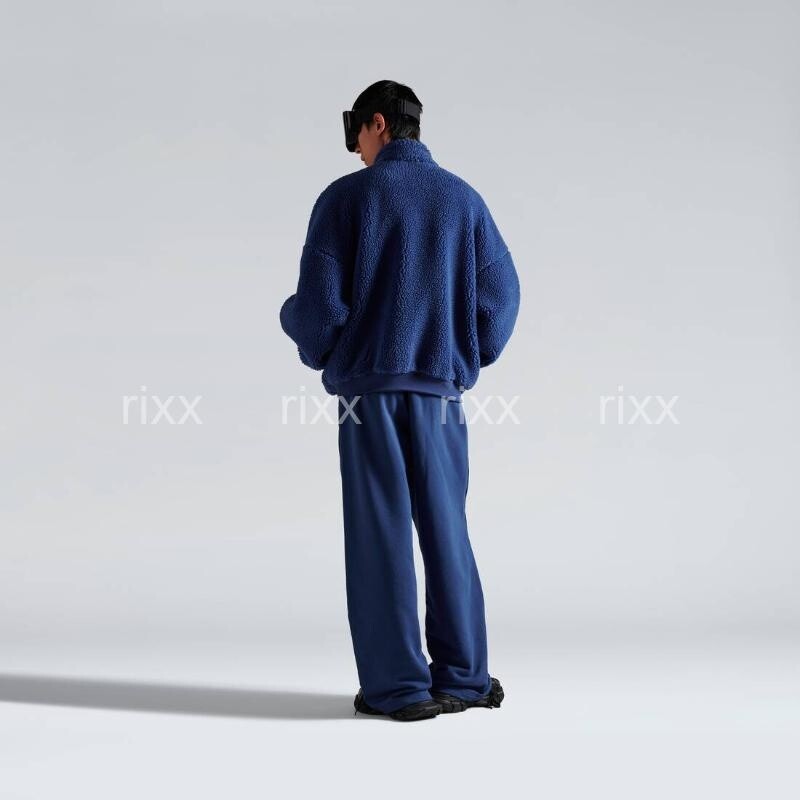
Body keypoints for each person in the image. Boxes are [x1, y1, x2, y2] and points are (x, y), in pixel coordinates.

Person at [280, 80, 520, 722]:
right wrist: (462, 353)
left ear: (378, 124)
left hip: (369, 396)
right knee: (447, 529)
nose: (355, 148)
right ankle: (464, 679)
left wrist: (294, 323)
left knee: (379, 532)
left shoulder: (346, 198)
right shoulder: (463, 199)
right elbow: (502, 299)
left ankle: (399, 689)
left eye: (354, 133)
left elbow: (319, 311)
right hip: (440, 394)